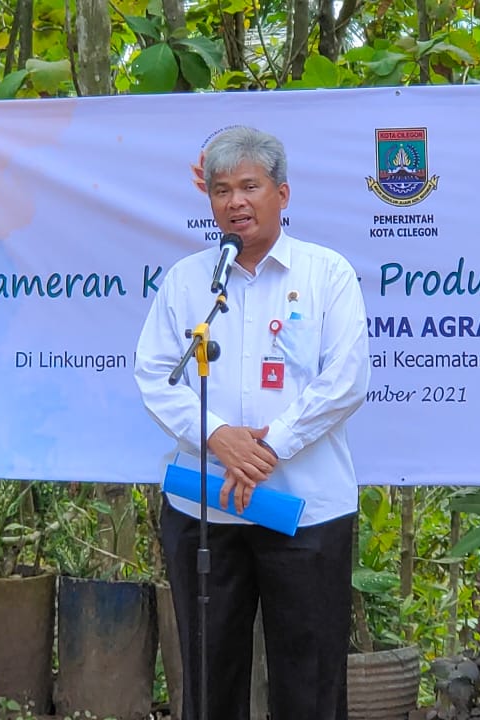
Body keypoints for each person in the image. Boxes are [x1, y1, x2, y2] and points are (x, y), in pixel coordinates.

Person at [135, 126, 371, 720]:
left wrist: (269, 449)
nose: (235, 202)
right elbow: (155, 374)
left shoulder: (326, 273)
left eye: (249, 186)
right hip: (204, 513)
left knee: (310, 684)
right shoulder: (189, 281)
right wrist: (218, 438)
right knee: (209, 681)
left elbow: (345, 379)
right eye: (221, 190)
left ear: (282, 194)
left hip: (306, 511)